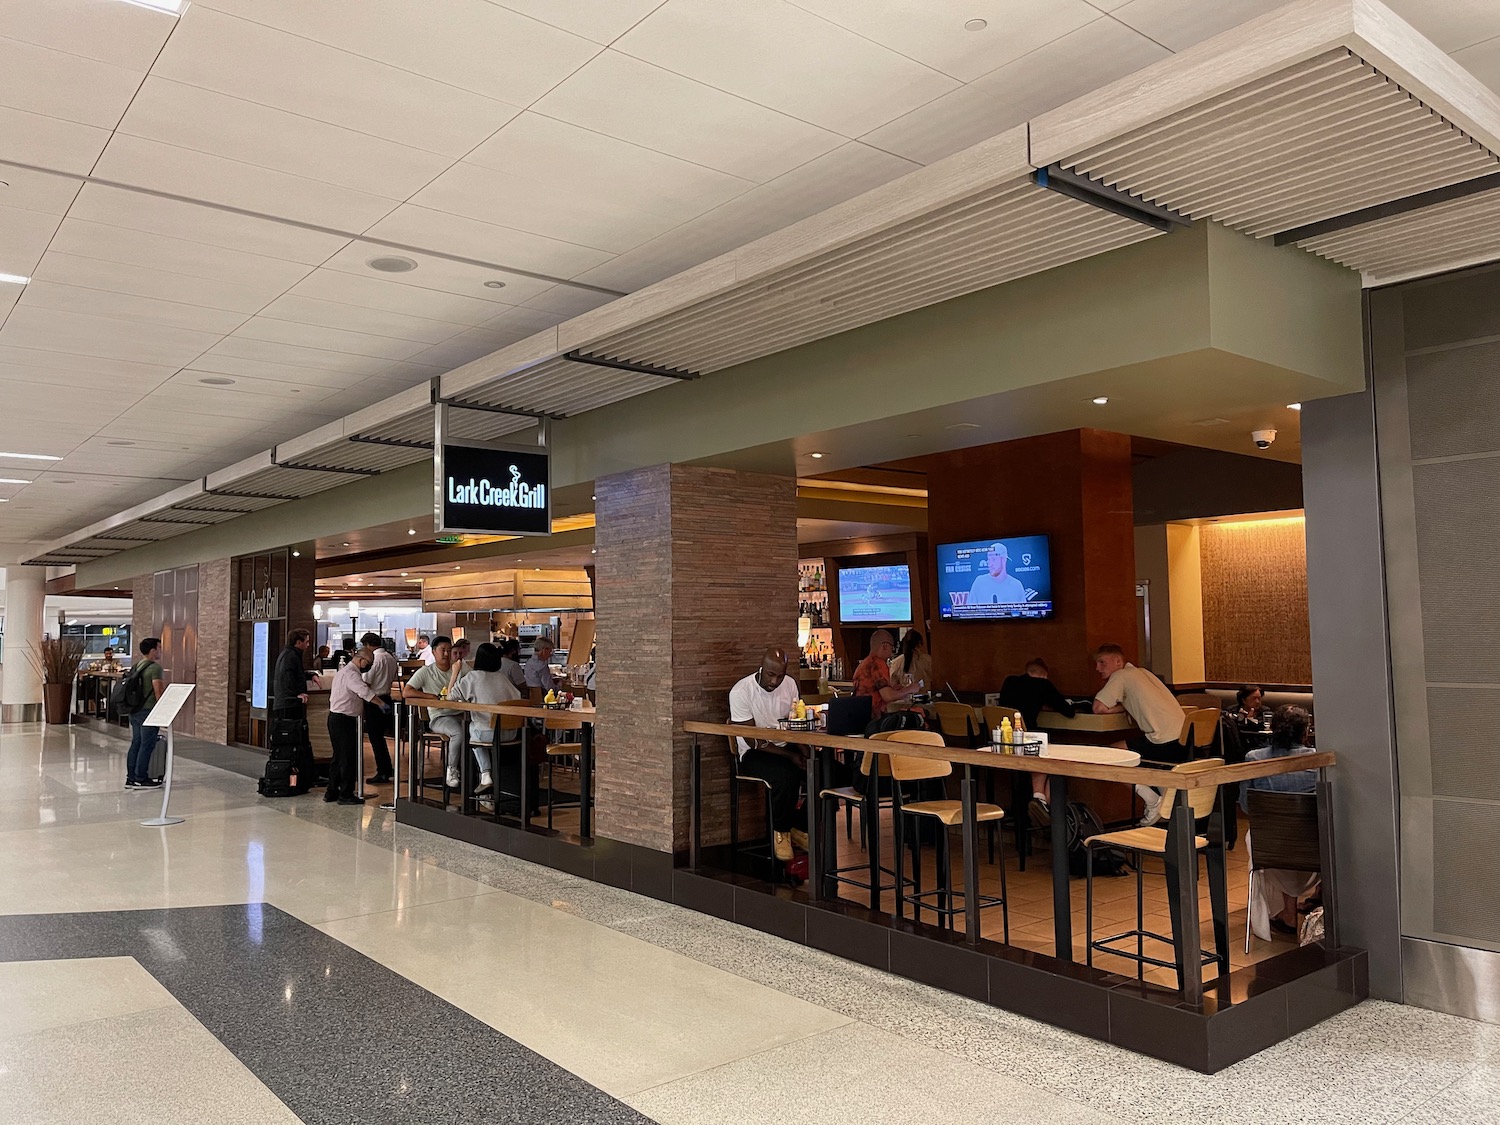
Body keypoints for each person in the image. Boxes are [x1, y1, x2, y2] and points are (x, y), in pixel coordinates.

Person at [1242, 705, 1320, 940]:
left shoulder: (1254, 759)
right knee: (1320, 830)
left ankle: (1287, 914)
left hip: (1269, 846)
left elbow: (1246, 806)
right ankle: (1321, 901)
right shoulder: (1318, 758)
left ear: (1272, 729)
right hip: (1314, 848)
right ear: (1305, 732)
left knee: (1268, 834)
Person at [1091, 643, 1187, 826]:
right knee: (1145, 760)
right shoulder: (1143, 672)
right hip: (1182, 739)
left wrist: (1118, 708)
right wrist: (1125, 707)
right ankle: (1165, 803)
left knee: (1112, 756)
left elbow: (1098, 707)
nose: (1097, 668)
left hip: (1163, 741)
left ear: (1118, 661)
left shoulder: (1121, 676)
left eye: (1102, 662)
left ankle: (1153, 802)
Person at [728, 645, 806, 862]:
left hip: (783, 745)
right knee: (787, 775)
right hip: (753, 753)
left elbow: (794, 722)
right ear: (761, 668)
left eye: (780, 676)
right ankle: (781, 831)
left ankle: (799, 827)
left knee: (823, 771)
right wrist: (791, 756)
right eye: (771, 675)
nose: (774, 682)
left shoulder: (789, 684)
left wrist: (803, 751)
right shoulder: (741, 692)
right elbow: (753, 741)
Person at [999, 658, 1076, 825]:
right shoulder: (1043, 685)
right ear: (1044, 675)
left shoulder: (1010, 681)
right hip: (1028, 741)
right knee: (1055, 755)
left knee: (1045, 749)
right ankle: (1042, 801)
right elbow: (1069, 711)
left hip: (1005, 742)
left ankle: (1041, 804)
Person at [448, 642, 522, 797]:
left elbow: (450, 697)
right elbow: (518, 697)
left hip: (487, 734)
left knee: (471, 730)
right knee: (478, 729)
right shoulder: (502, 678)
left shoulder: (473, 677)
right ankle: (488, 782)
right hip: (510, 733)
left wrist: (455, 673)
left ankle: (485, 773)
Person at [402, 636, 466, 789]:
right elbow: (407, 692)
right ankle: (452, 770)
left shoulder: (459, 668)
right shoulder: (427, 671)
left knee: (478, 729)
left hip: (462, 714)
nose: (446, 654)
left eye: (449, 651)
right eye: (442, 650)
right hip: (439, 717)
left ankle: (477, 775)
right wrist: (429, 696)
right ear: (433, 652)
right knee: (458, 732)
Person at [325, 648, 378, 804]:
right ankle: (346, 794)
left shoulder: (344, 671)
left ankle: (332, 791)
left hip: (336, 718)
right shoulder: (352, 674)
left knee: (338, 756)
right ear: (361, 660)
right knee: (348, 757)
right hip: (343, 719)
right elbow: (364, 692)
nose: (368, 666)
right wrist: (381, 704)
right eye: (368, 663)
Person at [123, 637, 166, 789]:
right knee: (147, 744)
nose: (161, 651)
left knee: (136, 743)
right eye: (159, 648)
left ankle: (131, 778)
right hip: (148, 710)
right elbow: (158, 692)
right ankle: (141, 778)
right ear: (153, 650)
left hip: (134, 710)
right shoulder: (155, 668)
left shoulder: (137, 666)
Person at [852, 629, 919, 722]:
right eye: (892, 649)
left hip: (859, 717)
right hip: (873, 720)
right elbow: (888, 696)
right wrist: (910, 689)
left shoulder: (863, 664)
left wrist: (894, 689)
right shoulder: (878, 664)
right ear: (885, 646)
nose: (891, 654)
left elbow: (874, 690)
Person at [359, 632, 399, 784]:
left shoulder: (376, 658)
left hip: (374, 699)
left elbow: (367, 681)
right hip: (387, 697)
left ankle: (383, 770)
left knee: (376, 738)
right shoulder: (390, 657)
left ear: (368, 645)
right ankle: (387, 768)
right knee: (380, 737)